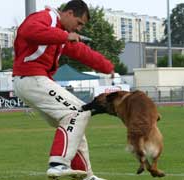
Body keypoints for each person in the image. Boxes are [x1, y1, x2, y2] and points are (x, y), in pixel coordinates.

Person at [13, 0, 114, 179]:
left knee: (75, 126)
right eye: (79, 23)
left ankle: (87, 176)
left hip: (32, 80)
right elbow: (27, 30)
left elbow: (82, 52)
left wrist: (107, 67)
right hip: (31, 78)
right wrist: (64, 36)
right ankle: (58, 164)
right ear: (68, 14)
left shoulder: (60, 33)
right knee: (79, 113)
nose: (79, 29)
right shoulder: (47, 18)